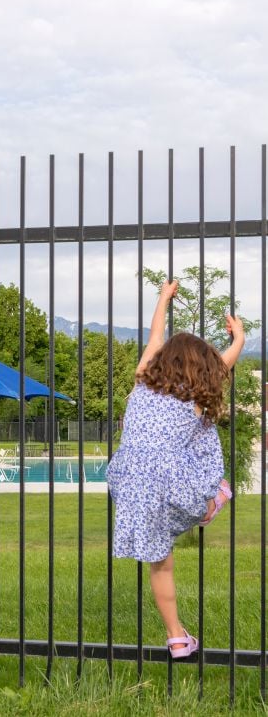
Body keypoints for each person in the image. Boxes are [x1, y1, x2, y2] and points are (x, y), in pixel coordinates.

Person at [106, 280, 243, 659]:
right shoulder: (194, 395)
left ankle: (177, 638)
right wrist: (239, 340)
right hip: (170, 482)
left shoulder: (141, 380)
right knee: (204, 436)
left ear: (163, 359)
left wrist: (163, 299)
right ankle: (212, 501)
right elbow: (224, 363)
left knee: (161, 565)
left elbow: (153, 336)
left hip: (130, 481)